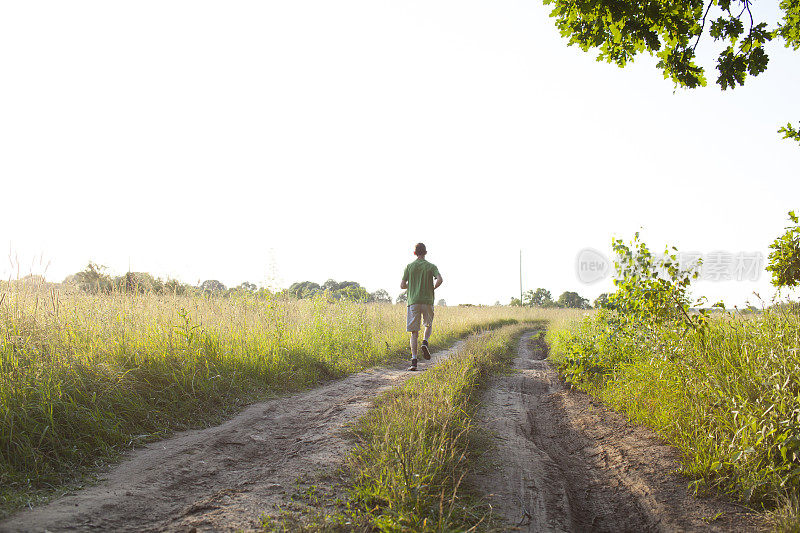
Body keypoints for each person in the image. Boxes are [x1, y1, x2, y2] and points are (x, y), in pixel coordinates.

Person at [401, 242, 443, 371]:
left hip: (413, 301)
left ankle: (414, 362)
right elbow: (440, 279)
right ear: (425, 252)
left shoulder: (409, 266)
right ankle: (425, 342)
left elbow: (402, 285)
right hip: (427, 300)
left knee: (414, 332)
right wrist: (432, 288)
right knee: (428, 324)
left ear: (414, 253)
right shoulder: (431, 266)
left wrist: (412, 285)